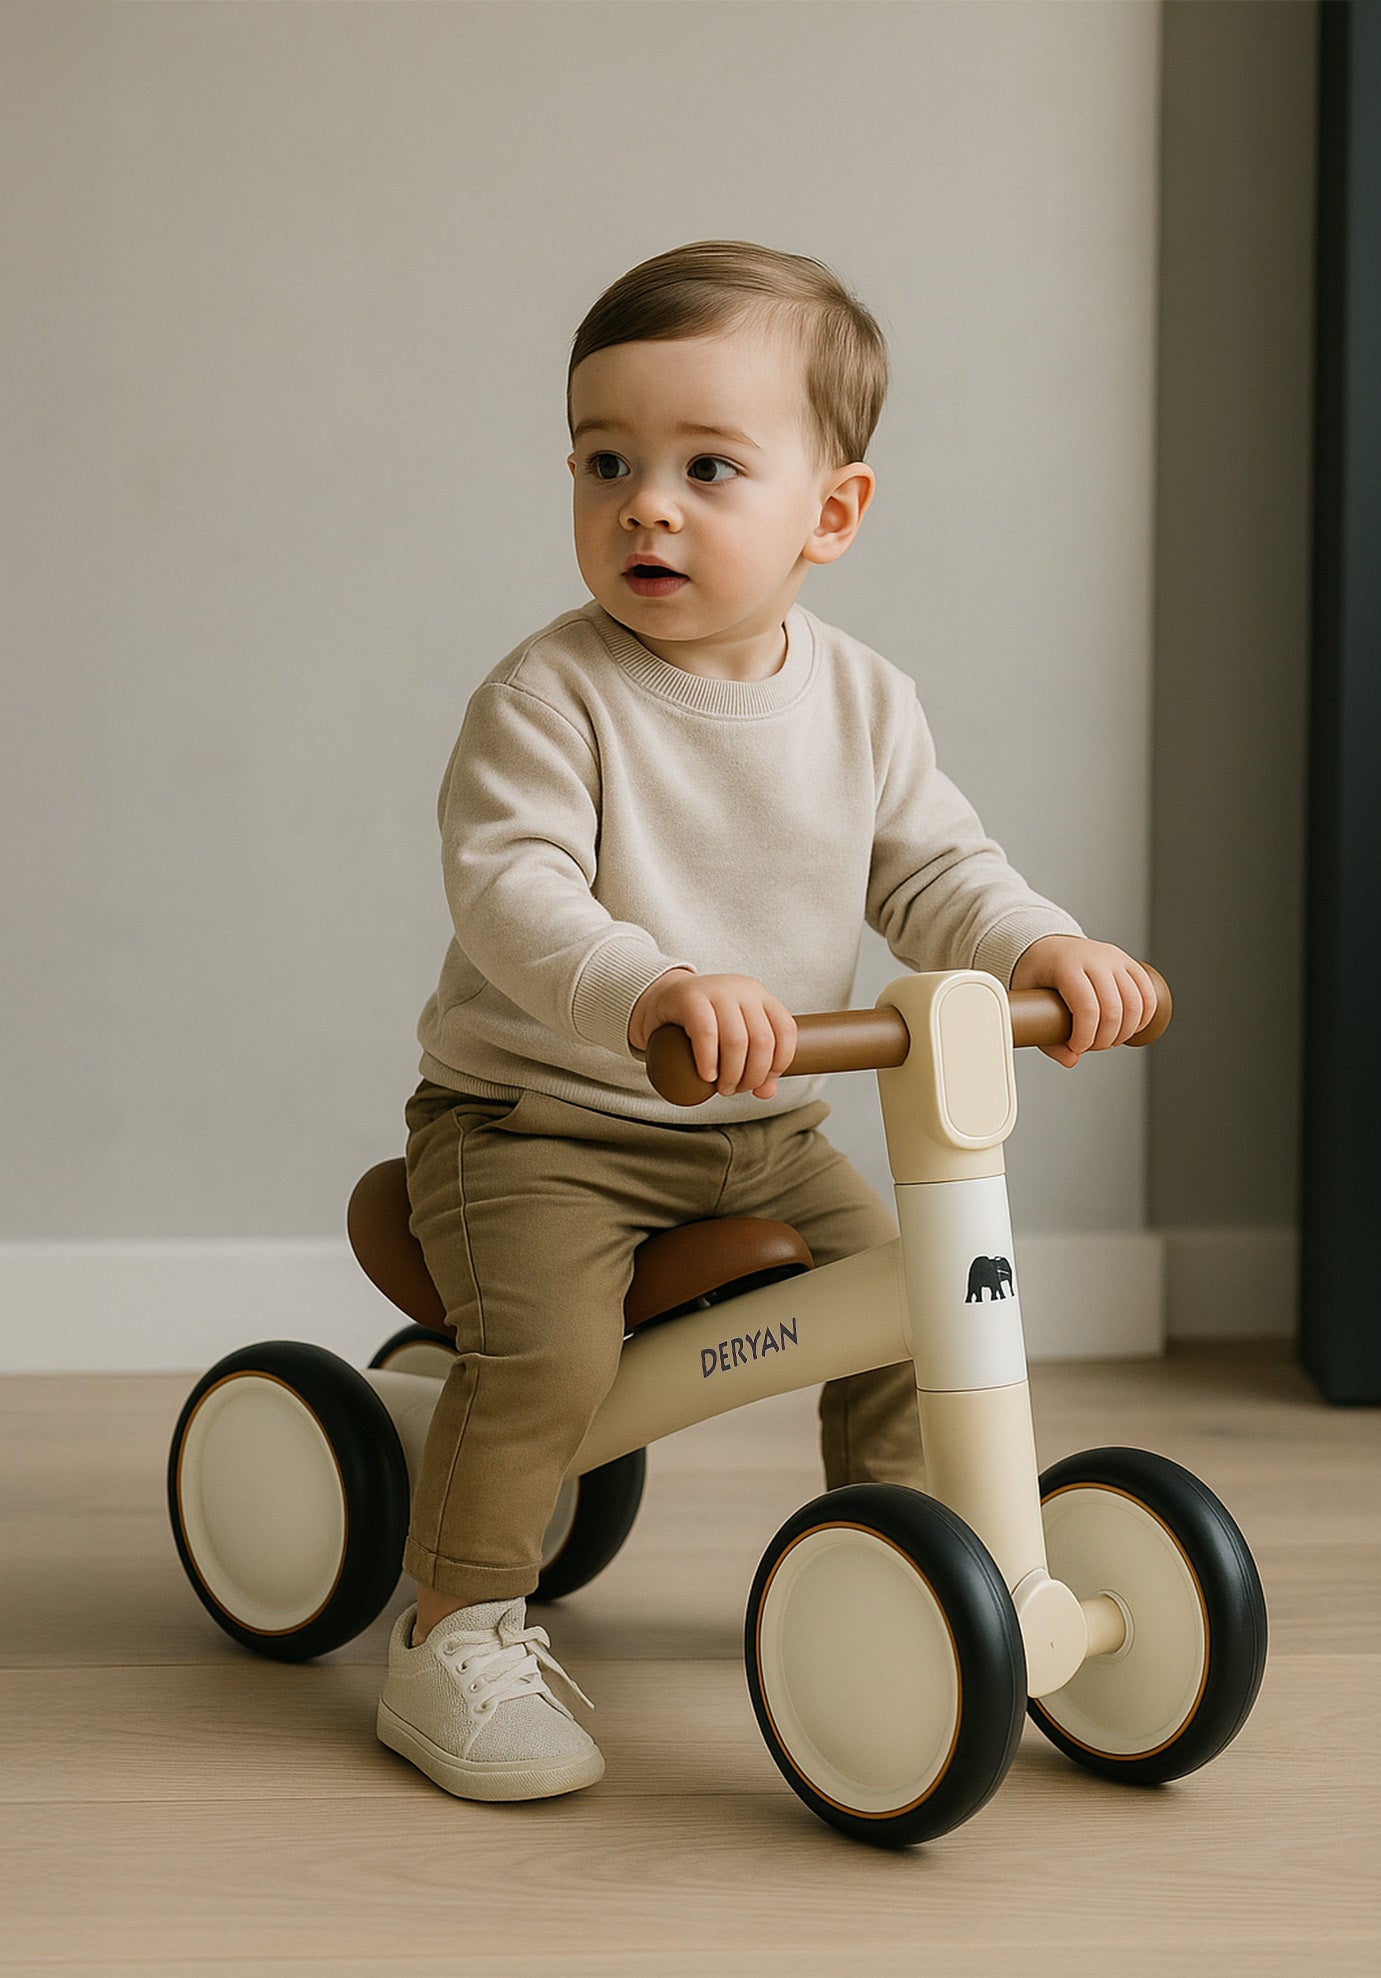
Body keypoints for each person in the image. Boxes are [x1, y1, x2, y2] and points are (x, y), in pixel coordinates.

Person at [376, 240, 1157, 1803]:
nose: (644, 503)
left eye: (706, 466)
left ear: (833, 512)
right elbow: (514, 895)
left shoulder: (865, 702)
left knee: (920, 1297)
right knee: (543, 1358)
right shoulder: (550, 699)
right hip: (541, 1129)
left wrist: (1050, 949)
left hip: (764, 1124)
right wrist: (654, 987)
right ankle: (453, 1625)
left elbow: (940, 872)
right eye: (607, 461)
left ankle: (920, 1561)